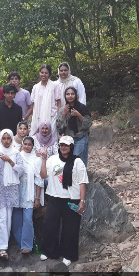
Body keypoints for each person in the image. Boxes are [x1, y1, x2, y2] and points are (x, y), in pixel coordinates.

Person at [39, 135, 88, 266]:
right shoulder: (52, 159)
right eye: (61, 145)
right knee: (49, 224)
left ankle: (68, 254)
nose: (63, 147)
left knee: (70, 228)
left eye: (66, 145)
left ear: (71, 147)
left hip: (71, 199)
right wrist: (43, 159)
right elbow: (43, 175)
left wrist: (82, 201)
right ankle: (49, 251)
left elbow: (82, 182)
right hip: (54, 197)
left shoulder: (77, 162)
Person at [0, 129, 24, 260]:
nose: (6, 141)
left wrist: (10, 160)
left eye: (8, 138)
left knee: (7, 218)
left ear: (11, 139)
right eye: (4, 138)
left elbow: (21, 170)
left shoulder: (16, 153)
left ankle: (4, 245)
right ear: (1, 139)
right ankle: (1, 248)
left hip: (11, 189)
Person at [12, 136, 43, 255]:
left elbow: (39, 180)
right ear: (22, 144)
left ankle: (27, 245)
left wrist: (37, 198)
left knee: (28, 219)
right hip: (17, 193)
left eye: (29, 144)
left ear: (33, 146)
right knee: (16, 220)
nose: (27, 146)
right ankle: (20, 243)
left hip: (29, 195)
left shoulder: (36, 160)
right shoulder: (17, 157)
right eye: (25, 144)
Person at [55, 87, 92, 166]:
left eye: (72, 94)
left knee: (78, 159)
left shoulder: (82, 108)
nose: (70, 96)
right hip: (68, 139)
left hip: (81, 136)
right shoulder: (63, 109)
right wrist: (64, 114)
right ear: (65, 96)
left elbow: (88, 124)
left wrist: (78, 115)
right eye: (68, 94)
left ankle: (82, 173)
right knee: (68, 160)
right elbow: (58, 126)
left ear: (76, 95)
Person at [30, 64, 60, 134]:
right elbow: (32, 104)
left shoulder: (54, 85)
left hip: (51, 116)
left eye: (46, 73)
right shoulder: (35, 87)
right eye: (42, 72)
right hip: (37, 117)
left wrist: (58, 116)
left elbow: (59, 102)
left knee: (51, 135)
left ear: (49, 74)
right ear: (39, 73)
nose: (44, 75)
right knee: (36, 137)